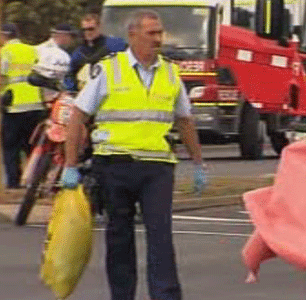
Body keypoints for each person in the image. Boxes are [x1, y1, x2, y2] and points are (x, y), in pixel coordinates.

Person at [61, 10, 207, 300]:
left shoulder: (170, 72)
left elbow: (185, 120)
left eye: (160, 33)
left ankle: (166, 296)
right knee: (119, 237)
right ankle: (122, 295)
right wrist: (71, 164)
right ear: (133, 35)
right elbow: (78, 115)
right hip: (114, 166)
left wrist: (199, 162)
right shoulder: (109, 70)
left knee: (161, 237)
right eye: (152, 33)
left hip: (157, 167)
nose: (158, 39)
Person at [0, 23, 45, 189]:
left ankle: (13, 183)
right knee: (31, 146)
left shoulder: (5, 52)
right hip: (35, 106)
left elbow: (1, 75)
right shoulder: (32, 50)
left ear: (4, 36)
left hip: (14, 107)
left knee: (10, 147)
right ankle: (34, 182)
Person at [64, 6, 127, 91]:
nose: (87, 33)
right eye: (84, 30)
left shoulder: (116, 45)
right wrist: (72, 90)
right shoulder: (79, 52)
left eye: (91, 29)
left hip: (114, 91)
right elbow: (70, 75)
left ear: (100, 28)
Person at [33, 23, 74, 96]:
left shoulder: (38, 48)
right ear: (64, 36)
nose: (71, 40)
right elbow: (60, 79)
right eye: (71, 36)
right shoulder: (61, 55)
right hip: (50, 96)